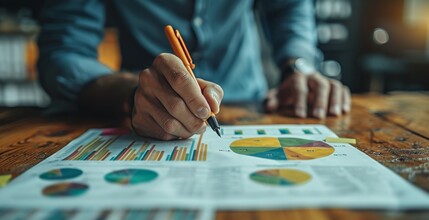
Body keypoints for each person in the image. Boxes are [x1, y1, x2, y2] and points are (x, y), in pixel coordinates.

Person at [37, 0, 351, 140]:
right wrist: (130, 94)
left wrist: (298, 66)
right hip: (143, 116)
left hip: (256, 105)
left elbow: (289, 7)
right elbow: (65, 52)